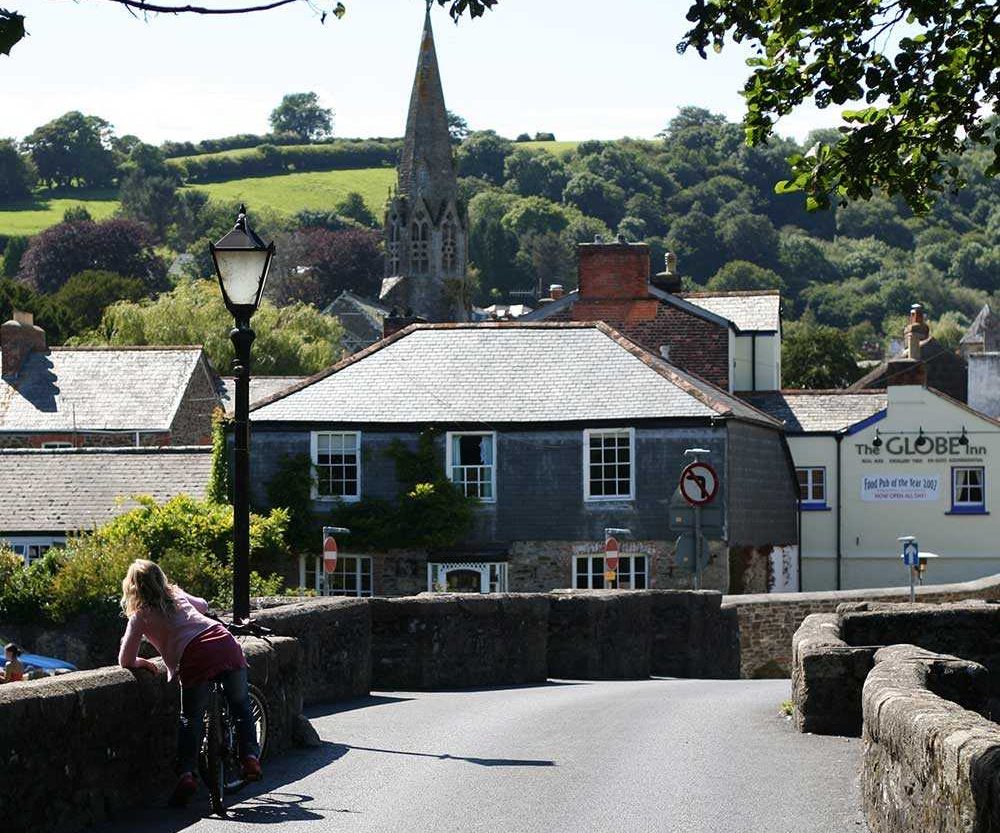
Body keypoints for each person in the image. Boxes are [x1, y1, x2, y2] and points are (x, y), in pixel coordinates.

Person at [118, 559, 261, 806]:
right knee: (240, 704)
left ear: (132, 587)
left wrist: (141, 662)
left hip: (194, 657)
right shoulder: (175, 594)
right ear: (160, 577)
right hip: (222, 641)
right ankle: (250, 757)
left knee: (191, 717)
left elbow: (125, 659)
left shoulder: (140, 617)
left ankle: (187, 774)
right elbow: (204, 605)